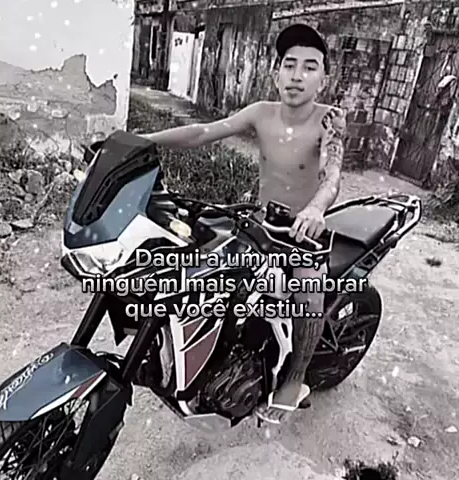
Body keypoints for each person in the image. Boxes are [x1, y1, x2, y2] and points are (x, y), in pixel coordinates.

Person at [141, 23, 347, 424]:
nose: (297, 75)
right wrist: (142, 140)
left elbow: (331, 175)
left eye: (310, 67)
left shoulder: (330, 122)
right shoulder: (260, 112)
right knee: (204, 268)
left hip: (304, 234)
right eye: (289, 65)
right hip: (260, 221)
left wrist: (316, 209)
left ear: (323, 80)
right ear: (275, 73)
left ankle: (295, 380)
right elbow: (203, 132)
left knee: (308, 295)